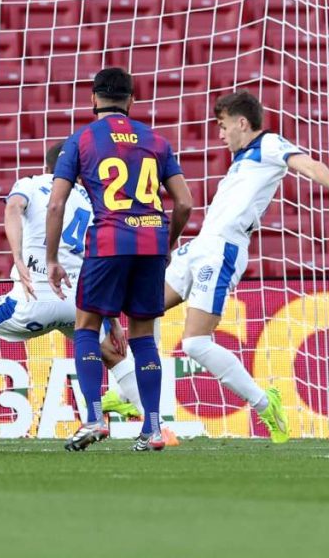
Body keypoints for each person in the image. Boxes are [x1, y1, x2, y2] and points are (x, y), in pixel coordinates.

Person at [111, 90, 329, 443]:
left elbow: (308, 165)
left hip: (222, 251)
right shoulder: (243, 159)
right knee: (140, 310)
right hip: (199, 248)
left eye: (224, 126)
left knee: (196, 343)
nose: (220, 134)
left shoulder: (270, 144)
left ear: (243, 123)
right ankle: (127, 394)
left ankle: (264, 403)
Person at [0, 142, 143, 441]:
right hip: (77, 305)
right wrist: (112, 317)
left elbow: (13, 207)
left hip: (33, 299)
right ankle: (159, 425)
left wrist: (18, 258)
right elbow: (102, 256)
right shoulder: (91, 201)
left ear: (48, 168)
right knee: (115, 355)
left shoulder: (30, 184)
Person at [46, 67, 192, 452]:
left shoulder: (80, 140)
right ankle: (155, 427)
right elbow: (185, 202)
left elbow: (57, 201)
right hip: (151, 241)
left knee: (86, 326)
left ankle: (94, 418)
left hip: (110, 240)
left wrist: (50, 258)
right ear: (131, 101)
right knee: (143, 335)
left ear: (93, 99)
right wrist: (168, 243)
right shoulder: (156, 140)